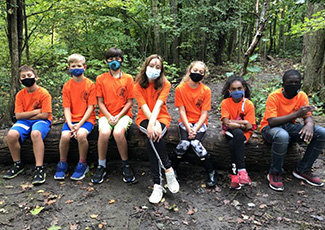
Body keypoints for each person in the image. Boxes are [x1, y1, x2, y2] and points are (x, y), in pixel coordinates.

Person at [261, 69, 325, 191]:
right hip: (270, 128)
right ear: (283, 84)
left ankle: (303, 169)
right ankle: (275, 173)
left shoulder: (302, 96)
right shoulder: (274, 96)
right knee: (282, 135)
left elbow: (308, 116)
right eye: (290, 82)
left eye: (297, 82)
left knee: (321, 133)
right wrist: (296, 114)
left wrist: (309, 124)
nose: (294, 85)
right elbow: (272, 121)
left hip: (290, 126)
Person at [134, 54, 179, 204]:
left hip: (162, 117)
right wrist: (153, 124)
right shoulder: (138, 85)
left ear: (161, 70)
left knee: (153, 138)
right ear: (146, 66)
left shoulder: (165, 84)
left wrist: (157, 123)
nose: (154, 69)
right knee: (153, 134)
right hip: (144, 118)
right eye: (151, 66)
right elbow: (144, 107)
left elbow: (159, 105)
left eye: (158, 67)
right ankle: (168, 169)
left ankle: (157, 185)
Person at [91, 47, 135, 184]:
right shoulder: (101, 79)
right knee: (104, 133)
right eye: (110, 59)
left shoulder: (128, 79)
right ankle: (101, 165)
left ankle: (125, 164)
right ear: (106, 61)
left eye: (117, 59)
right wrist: (109, 116)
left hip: (124, 114)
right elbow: (100, 101)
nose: (114, 62)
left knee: (118, 133)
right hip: (106, 115)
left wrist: (118, 115)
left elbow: (129, 102)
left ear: (121, 60)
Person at [3, 65, 52, 185]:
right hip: (25, 122)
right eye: (23, 77)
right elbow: (18, 116)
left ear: (36, 77)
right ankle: (18, 163)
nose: (27, 78)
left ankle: (39, 168)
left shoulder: (44, 93)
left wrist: (27, 114)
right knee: (11, 135)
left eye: (29, 76)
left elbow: (45, 115)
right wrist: (36, 111)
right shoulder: (20, 95)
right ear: (20, 80)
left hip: (41, 121)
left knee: (35, 133)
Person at [171, 61, 217, 187]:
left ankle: (211, 172)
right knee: (184, 144)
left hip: (200, 123)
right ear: (189, 71)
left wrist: (195, 128)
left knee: (196, 144)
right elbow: (181, 110)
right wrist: (188, 128)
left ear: (204, 75)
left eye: (201, 72)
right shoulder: (180, 89)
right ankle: (173, 170)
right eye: (195, 70)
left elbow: (204, 113)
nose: (197, 73)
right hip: (185, 122)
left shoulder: (206, 90)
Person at [54, 54, 96, 181]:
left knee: (81, 135)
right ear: (69, 68)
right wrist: (70, 123)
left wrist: (79, 124)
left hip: (87, 120)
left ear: (84, 67)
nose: (76, 68)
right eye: (73, 66)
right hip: (72, 120)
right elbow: (66, 108)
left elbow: (91, 107)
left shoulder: (90, 85)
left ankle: (82, 163)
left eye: (79, 66)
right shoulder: (67, 86)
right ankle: (62, 163)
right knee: (65, 136)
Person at [220, 75, 256, 190]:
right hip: (231, 132)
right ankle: (242, 170)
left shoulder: (248, 104)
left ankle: (235, 175)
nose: (237, 91)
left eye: (239, 88)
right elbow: (227, 124)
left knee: (234, 142)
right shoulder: (225, 103)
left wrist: (239, 123)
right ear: (229, 91)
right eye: (233, 89)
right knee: (238, 134)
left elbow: (250, 126)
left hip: (244, 135)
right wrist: (243, 123)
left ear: (244, 89)